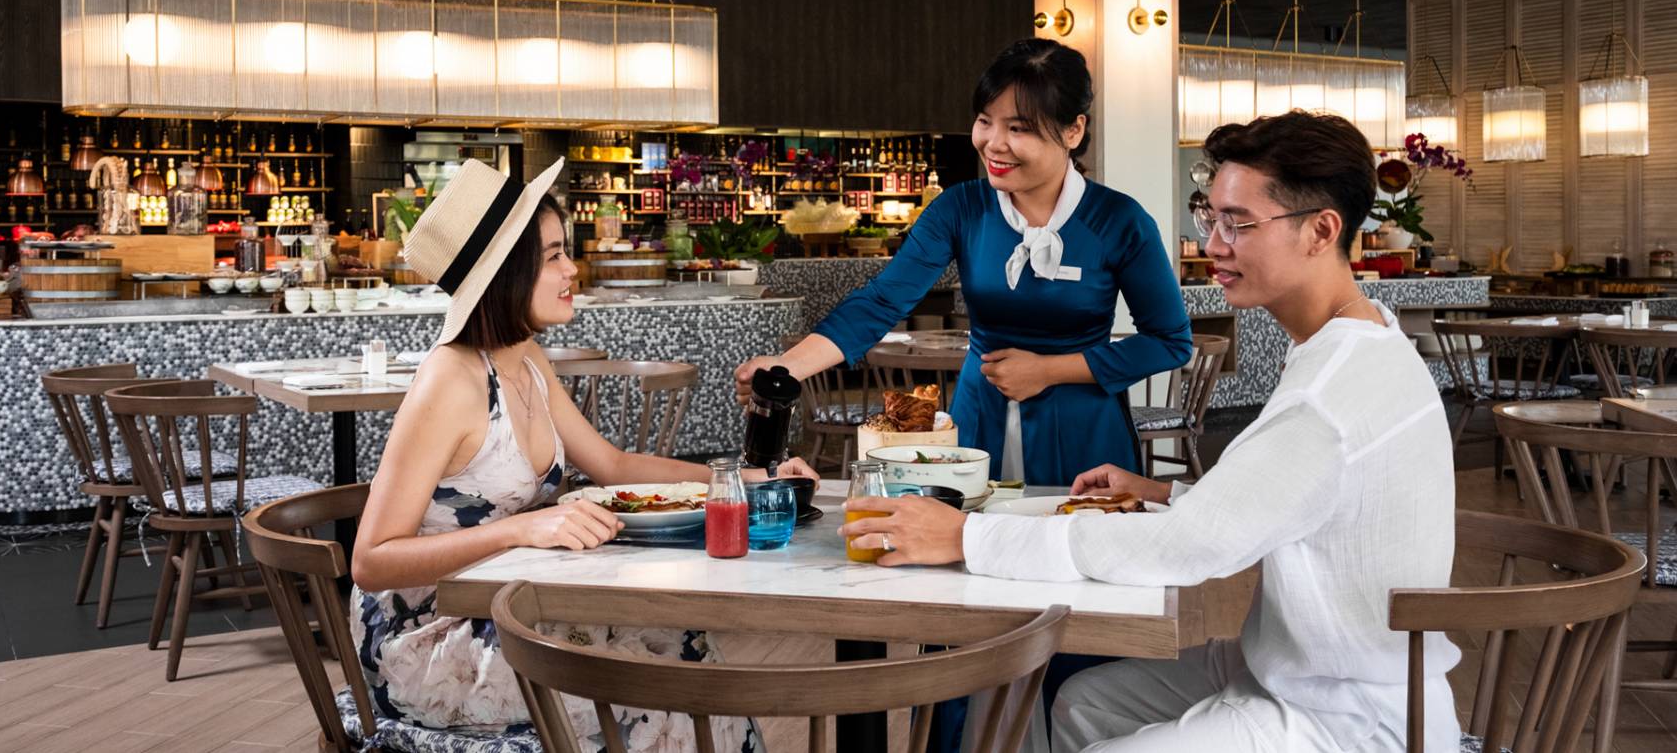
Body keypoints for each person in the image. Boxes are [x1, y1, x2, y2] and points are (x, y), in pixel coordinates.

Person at [839, 110, 1460, 753]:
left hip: (1347, 712)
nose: (1213, 245)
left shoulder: (1328, 394)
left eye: (1238, 223)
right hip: (1295, 668)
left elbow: (1189, 548)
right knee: (1080, 702)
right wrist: (1166, 493)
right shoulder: (1363, 336)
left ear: (1320, 231)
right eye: (1209, 217)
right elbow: (1300, 501)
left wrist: (968, 536)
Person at [351, 157, 815, 753]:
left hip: (507, 604)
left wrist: (746, 477)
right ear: (506, 273)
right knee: (656, 691)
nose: (572, 269)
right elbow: (372, 561)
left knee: (688, 652)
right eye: (552, 256)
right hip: (432, 636)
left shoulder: (524, 357)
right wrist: (522, 529)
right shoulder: (450, 379)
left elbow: (613, 466)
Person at [737, 38, 1193, 489]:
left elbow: (1168, 342)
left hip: (1085, 429)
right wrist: (786, 368)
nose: (994, 144)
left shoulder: (1118, 220)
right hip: (978, 417)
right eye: (984, 121)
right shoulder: (960, 209)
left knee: (1075, 529)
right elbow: (882, 301)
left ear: (1073, 131)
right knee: (967, 528)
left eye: (1019, 128)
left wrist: (1049, 370)